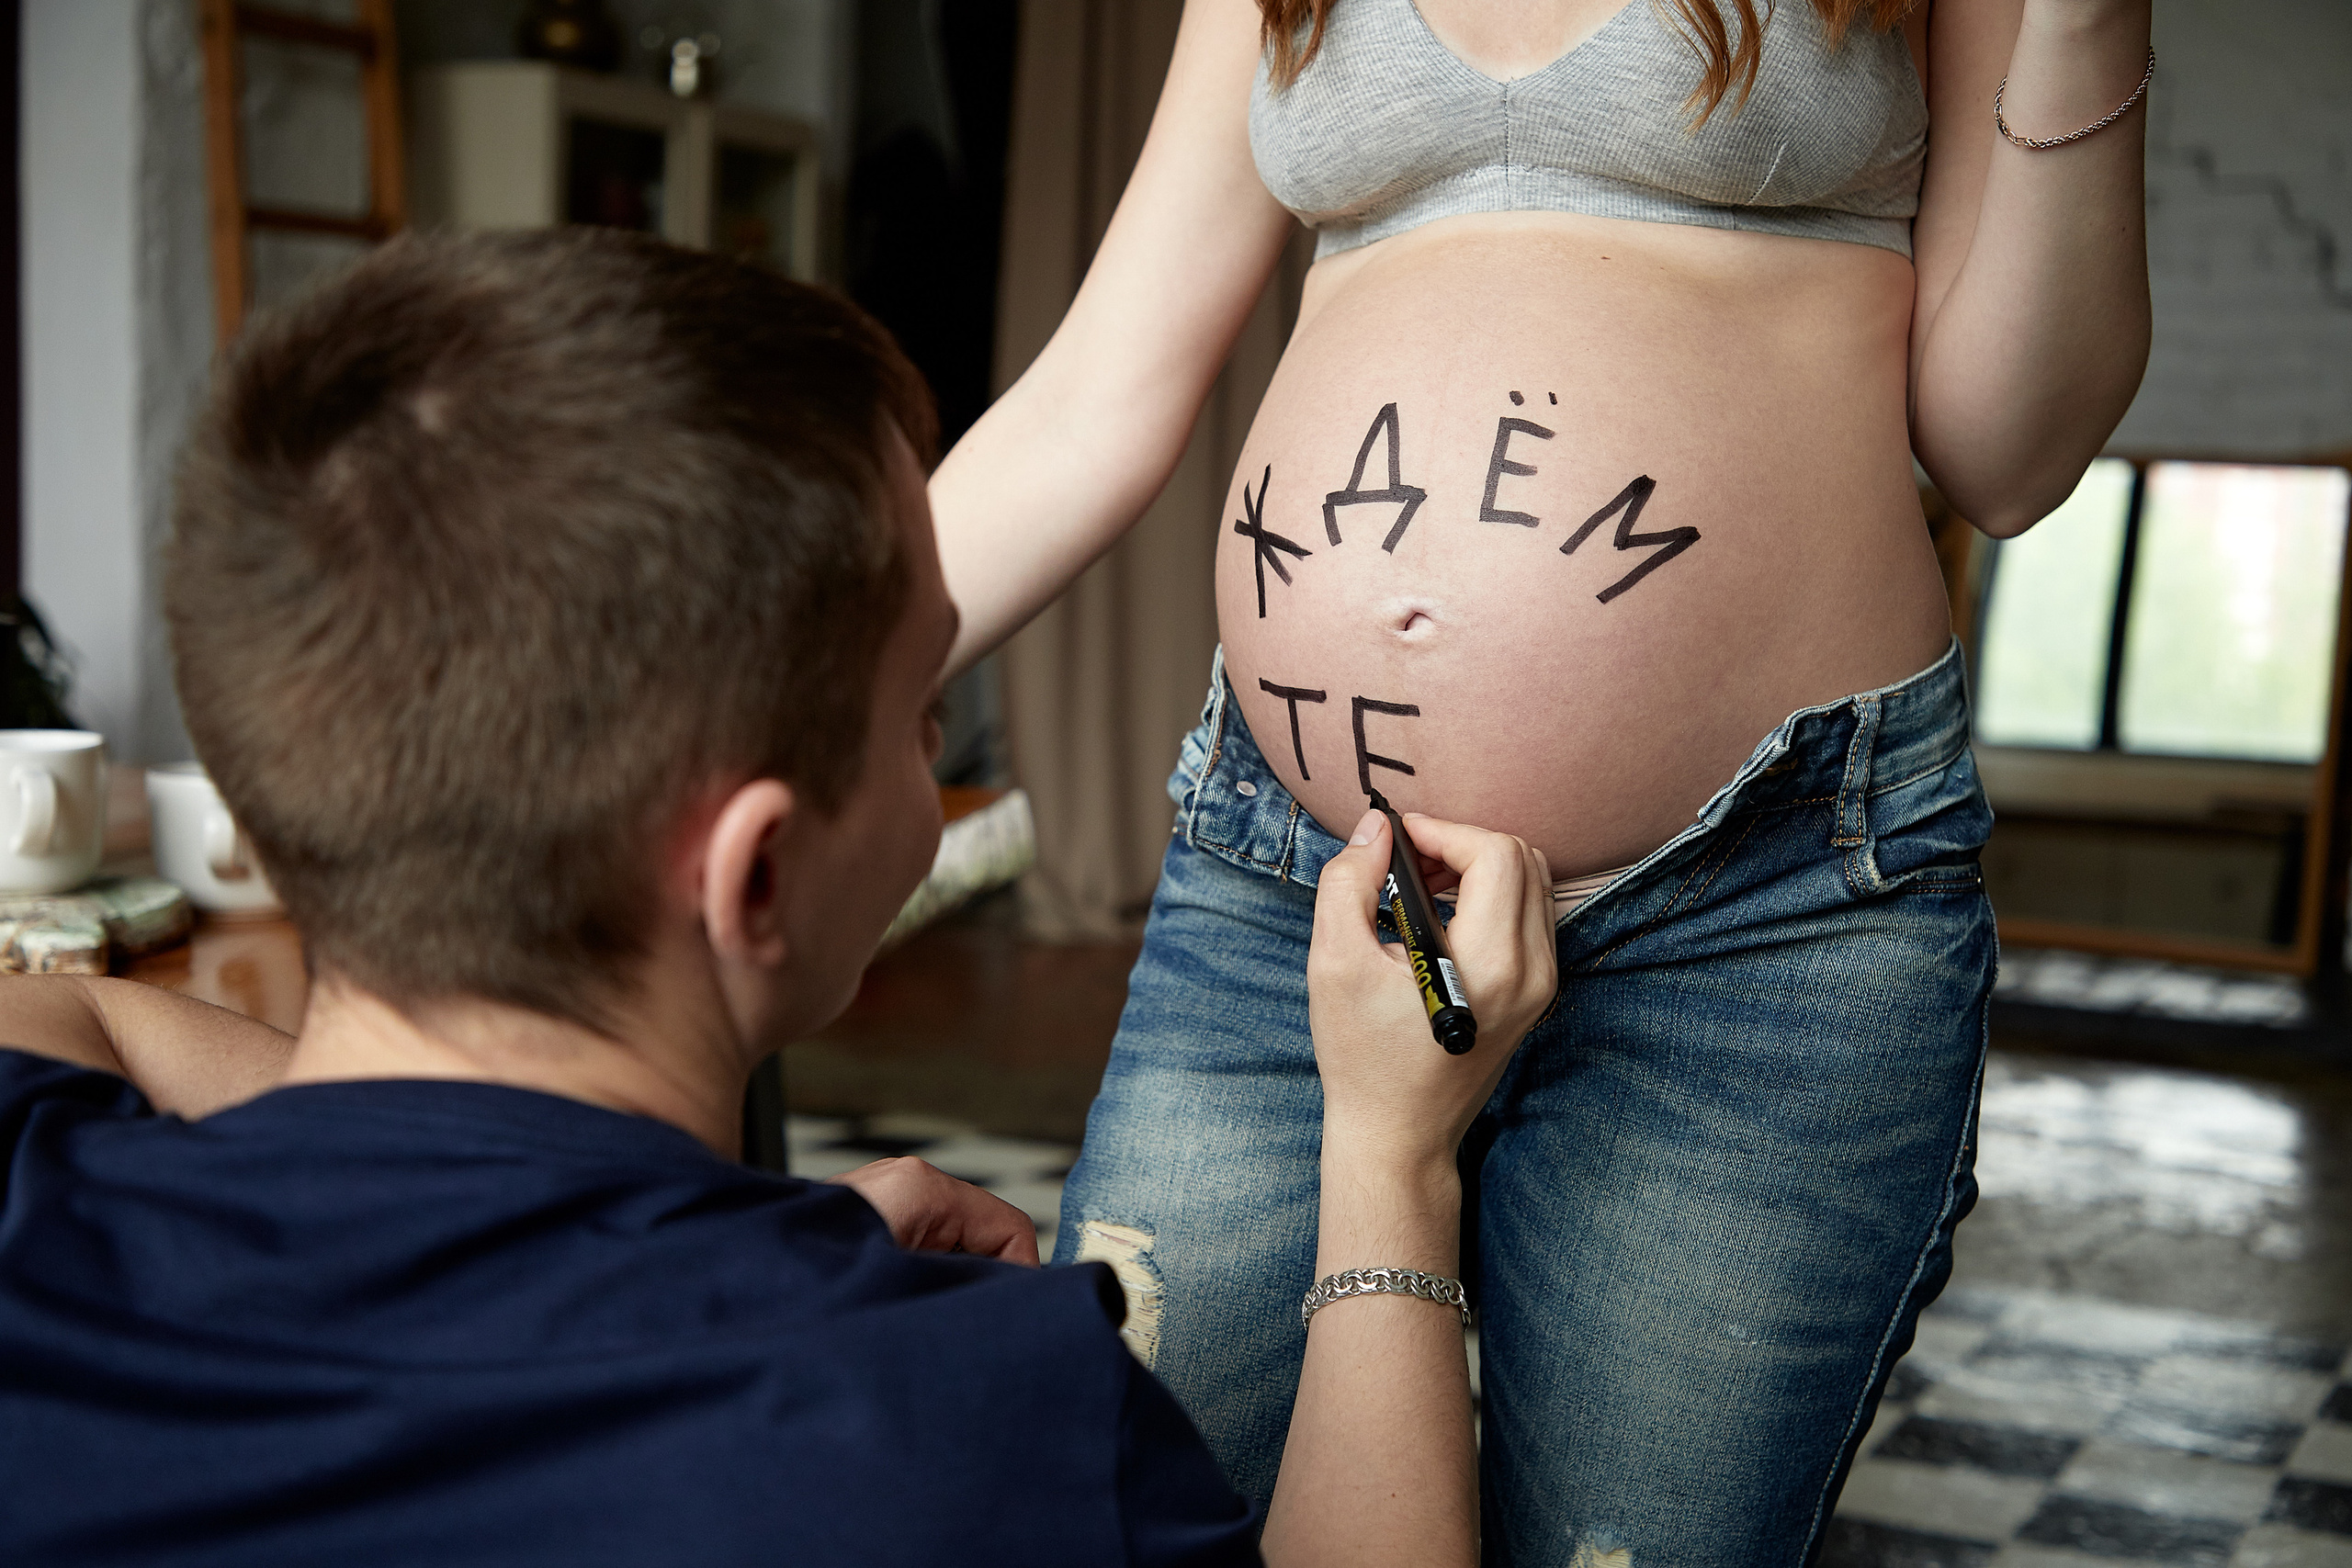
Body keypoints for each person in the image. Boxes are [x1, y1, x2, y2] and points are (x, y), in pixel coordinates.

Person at [0, 229, 1561, 1567]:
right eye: (919, 719)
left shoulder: (36, 1222)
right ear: (756, 874)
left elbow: (61, 1007)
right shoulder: (973, 1418)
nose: (937, 752)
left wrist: (661, 1228)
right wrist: (1393, 1161)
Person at [928, 0, 2152, 1559]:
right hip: (1298, 882)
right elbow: (1099, 388)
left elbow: (2010, 453)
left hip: (1759, 923)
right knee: (1141, 1513)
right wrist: (804, 686)